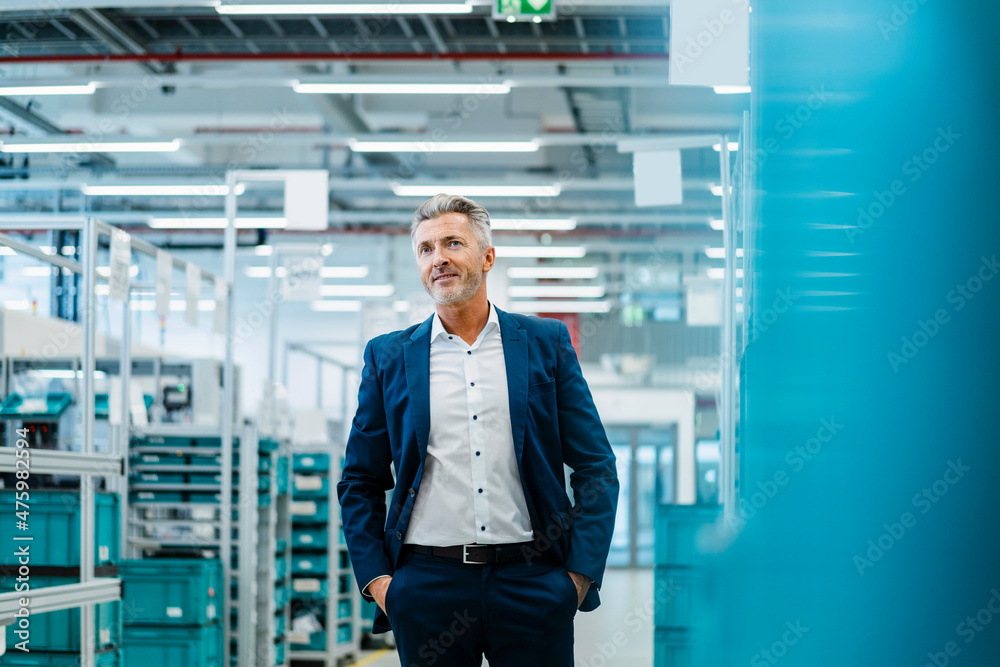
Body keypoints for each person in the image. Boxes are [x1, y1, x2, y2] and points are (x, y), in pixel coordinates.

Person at [338, 194, 619, 667]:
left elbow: (597, 467)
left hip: (533, 581)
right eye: (426, 249)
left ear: (487, 257)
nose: (438, 258)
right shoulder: (387, 357)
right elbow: (360, 480)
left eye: (453, 243)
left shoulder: (545, 345)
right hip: (427, 586)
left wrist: (577, 578)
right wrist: (380, 583)